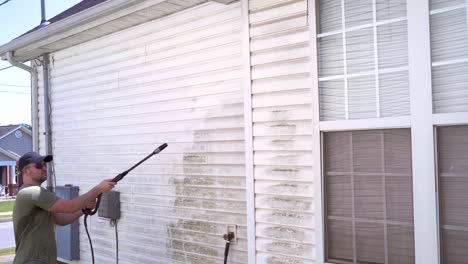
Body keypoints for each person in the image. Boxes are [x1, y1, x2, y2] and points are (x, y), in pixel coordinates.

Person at [13, 152, 117, 264]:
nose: (44, 168)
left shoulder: (33, 193)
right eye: (39, 165)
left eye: (45, 165)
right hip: (33, 260)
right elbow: (69, 206)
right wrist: (98, 189)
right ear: (25, 171)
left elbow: (60, 219)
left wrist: (82, 210)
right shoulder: (32, 192)